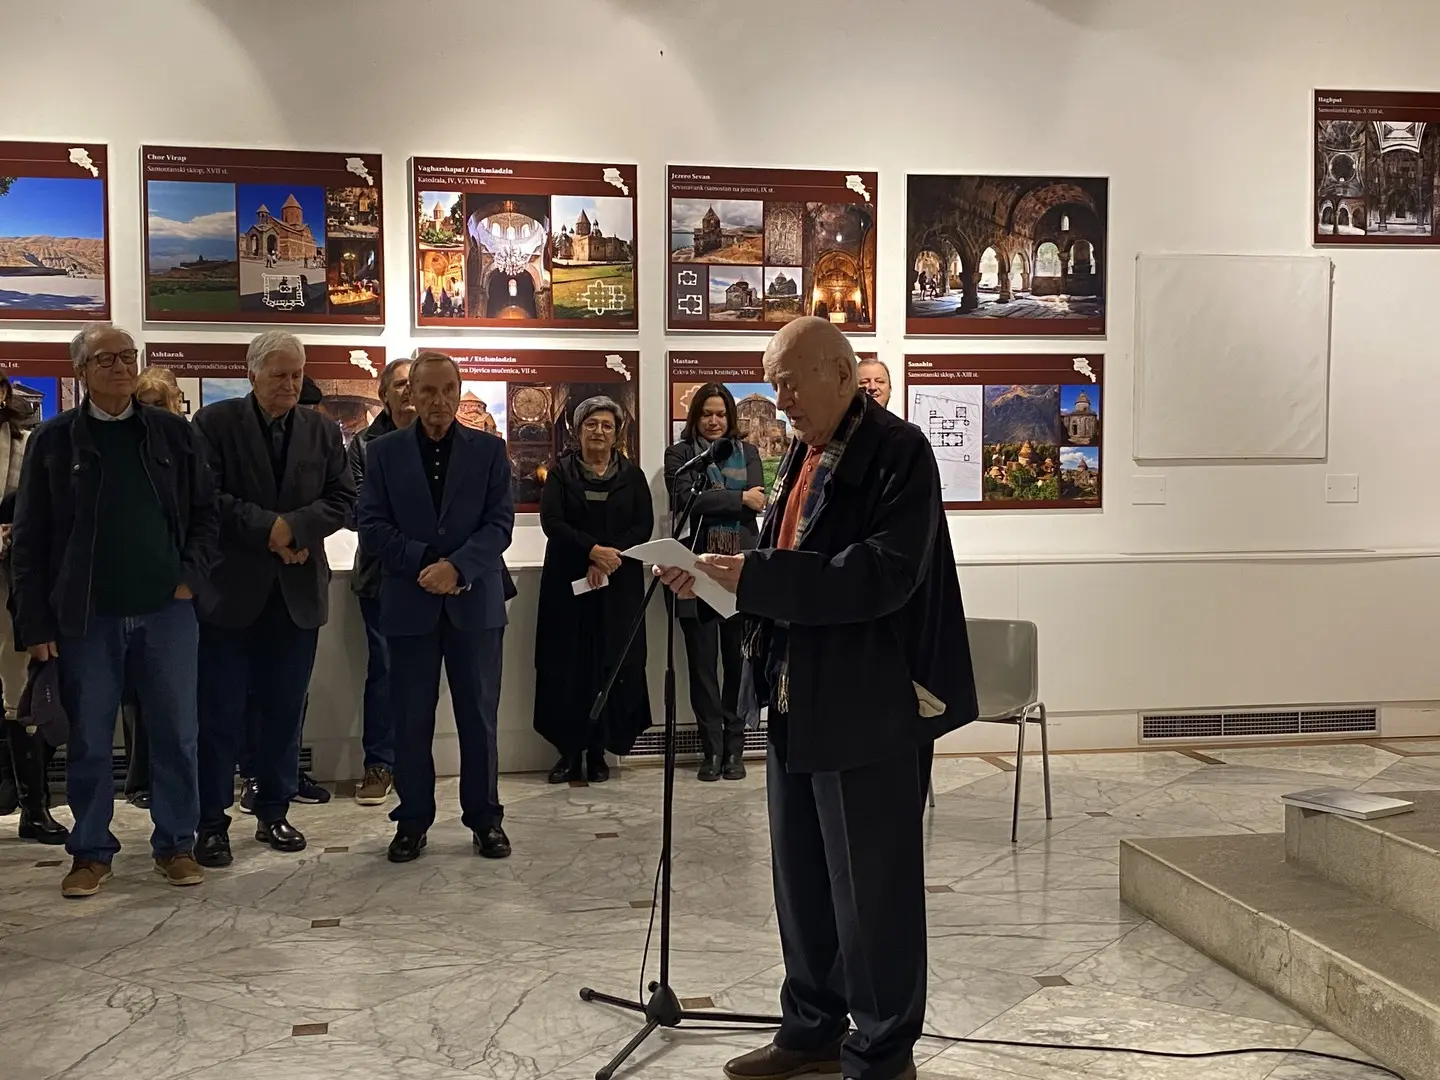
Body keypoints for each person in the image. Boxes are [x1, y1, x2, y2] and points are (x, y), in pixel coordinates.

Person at [655, 317, 978, 1080]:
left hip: (871, 707)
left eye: (790, 382)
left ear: (840, 372)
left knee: (873, 891)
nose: (780, 400)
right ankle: (811, 1028)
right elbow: (791, 557)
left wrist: (758, 577)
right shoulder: (804, 450)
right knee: (801, 880)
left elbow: (882, 573)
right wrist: (720, 578)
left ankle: (882, 1052)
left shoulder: (899, 452)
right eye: (773, 384)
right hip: (795, 694)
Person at [12, 323, 220, 898]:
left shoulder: (172, 433)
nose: (122, 367)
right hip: (87, 617)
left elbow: (206, 515)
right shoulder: (54, 441)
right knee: (90, 741)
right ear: (81, 371)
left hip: (167, 612)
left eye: (128, 357)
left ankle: (176, 844)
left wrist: (190, 577)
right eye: (106, 359)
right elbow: (29, 540)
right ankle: (90, 851)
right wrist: (34, 623)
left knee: (177, 734)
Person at [191, 330, 355, 867]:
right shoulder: (214, 424)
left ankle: (274, 811)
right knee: (219, 714)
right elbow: (206, 498)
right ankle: (211, 823)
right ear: (252, 373)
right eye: (279, 374)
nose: (290, 384)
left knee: (285, 712)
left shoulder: (322, 430)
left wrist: (296, 529)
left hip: (296, 594)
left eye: (297, 374)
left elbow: (342, 498)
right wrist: (273, 530)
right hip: (230, 595)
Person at [357, 350, 514, 863]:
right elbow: (371, 525)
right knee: (409, 720)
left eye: (448, 390)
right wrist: (426, 562)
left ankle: (485, 819)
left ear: (459, 391)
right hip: (410, 602)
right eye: (427, 390)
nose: (439, 400)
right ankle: (412, 820)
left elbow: (499, 525)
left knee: (479, 719)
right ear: (411, 394)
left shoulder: (490, 451)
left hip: (475, 604)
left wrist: (458, 568)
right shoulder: (383, 453)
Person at [535, 397, 653, 785]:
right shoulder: (560, 473)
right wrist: (591, 551)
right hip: (567, 588)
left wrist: (607, 557)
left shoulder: (632, 476)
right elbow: (552, 521)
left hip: (618, 586)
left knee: (611, 664)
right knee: (568, 666)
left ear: (617, 433)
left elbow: (643, 525)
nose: (598, 431)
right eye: (591, 424)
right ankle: (569, 753)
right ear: (577, 430)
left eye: (606, 425)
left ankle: (599, 751)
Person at [664, 384, 764, 782]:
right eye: (706, 413)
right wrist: (738, 499)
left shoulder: (749, 453)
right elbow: (683, 499)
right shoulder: (680, 456)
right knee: (702, 667)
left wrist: (724, 499)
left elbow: (759, 500)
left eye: (721, 414)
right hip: (695, 571)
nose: (714, 421)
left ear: (730, 418)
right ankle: (711, 750)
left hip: (741, 569)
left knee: (738, 664)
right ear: (695, 417)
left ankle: (735, 750)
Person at [116, 366, 189, 811]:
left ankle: (176, 784)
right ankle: (139, 777)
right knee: (135, 695)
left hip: (178, 589)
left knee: (175, 697)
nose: (151, 411)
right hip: (129, 587)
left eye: (159, 403)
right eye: (144, 403)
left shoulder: (187, 445)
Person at [346, 356, 415, 805]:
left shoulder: (445, 440)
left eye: (415, 383)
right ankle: (380, 764)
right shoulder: (363, 446)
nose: (409, 391)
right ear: (384, 393)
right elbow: (355, 511)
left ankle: (416, 764)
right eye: (401, 384)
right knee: (386, 669)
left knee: (428, 672)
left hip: (435, 574)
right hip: (381, 575)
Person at [0, 376, 65, 843]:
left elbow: (39, 509)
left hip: (13, 579)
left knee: (20, 689)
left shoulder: (26, 442)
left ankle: (33, 805)